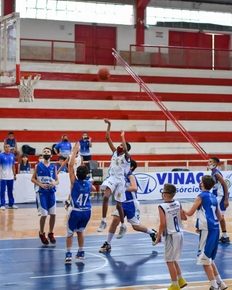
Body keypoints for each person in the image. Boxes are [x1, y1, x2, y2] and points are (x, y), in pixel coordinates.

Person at [99, 159, 157, 252]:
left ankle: (152, 233)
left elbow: (135, 187)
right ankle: (107, 243)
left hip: (131, 204)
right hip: (121, 203)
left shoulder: (130, 175)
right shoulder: (119, 175)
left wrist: (123, 189)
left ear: (131, 167)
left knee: (136, 226)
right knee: (115, 220)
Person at [184, 175, 228, 290]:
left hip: (207, 230)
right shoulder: (213, 196)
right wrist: (201, 225)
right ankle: (220, 283)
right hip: (215, 228)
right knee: (209, 259)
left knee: (204, 260)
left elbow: (189, 213)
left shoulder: (201, 196)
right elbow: (219, 217)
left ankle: (214, 286)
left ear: (202, 184)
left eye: (200, 181)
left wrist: (178, 207)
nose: (200, 183)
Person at [97, 118, 131, 239]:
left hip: (120, 180)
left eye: (121, 145)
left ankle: (123, 225)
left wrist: (123, 137)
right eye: (120, 144)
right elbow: (107, 138)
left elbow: (126, 149)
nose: (119, 146)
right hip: (112, 177)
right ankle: (103, 220)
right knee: (106, 196)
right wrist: (109, 125)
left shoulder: (127, 157)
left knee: (119, 205)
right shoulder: (114, 153)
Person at [65, 143, 96, 263]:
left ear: (77, 174)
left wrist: (74, 152)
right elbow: (93, 189)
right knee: (81, 231)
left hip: (76, 211)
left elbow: (71, 165)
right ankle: (81, 251)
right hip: (87, 211)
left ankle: (68, 254)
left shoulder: (74, 182)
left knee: (69, 233)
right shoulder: (88, 184)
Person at [154, 183, 187, 290]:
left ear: (164, 194)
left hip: (171, 234)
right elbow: (184, 217)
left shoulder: (162, 206)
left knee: (169, 261)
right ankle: (181, 279)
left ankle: (175, 285)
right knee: (174, 258)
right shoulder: (178, 203)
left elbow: (162, 224)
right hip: (180, 233)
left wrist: (158, 236)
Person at [31, 147, 59, 245]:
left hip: (51, 192)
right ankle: (41, 233)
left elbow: (57, 180)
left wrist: (54, 183)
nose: (46, 153)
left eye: (48, 152)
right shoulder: (38, 166)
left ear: (51, 155)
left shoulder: (53, 167)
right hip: (41, 192)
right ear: (42, 155)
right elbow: (32, 179)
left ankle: (51, 233)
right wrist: (41, 184)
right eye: (44, 152)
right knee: (44, 215)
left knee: (53, 214)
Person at [207, 157, 230, 243]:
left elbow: (225, 185)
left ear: (215, 164)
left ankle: (220, 235)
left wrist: (226, 199)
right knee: (219, 216)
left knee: (218, 216)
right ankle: (224, 236)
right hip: (216, 194)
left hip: (220, 196)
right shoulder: (213, 172)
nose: (208, 163)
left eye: (210, 162)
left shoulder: (216, 173)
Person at [0, 144, 18, 210]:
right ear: (4, 148)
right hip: (3, 177)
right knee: (2, 191)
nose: (7, 148)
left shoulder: (12, 155)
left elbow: (13, 166)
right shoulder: (1, 156)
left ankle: (11, 204)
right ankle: (2, 204)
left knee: (10, 191)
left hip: (10, 177)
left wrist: (14, 175)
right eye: (6, 147)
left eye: (8, 147)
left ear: (10, 148)